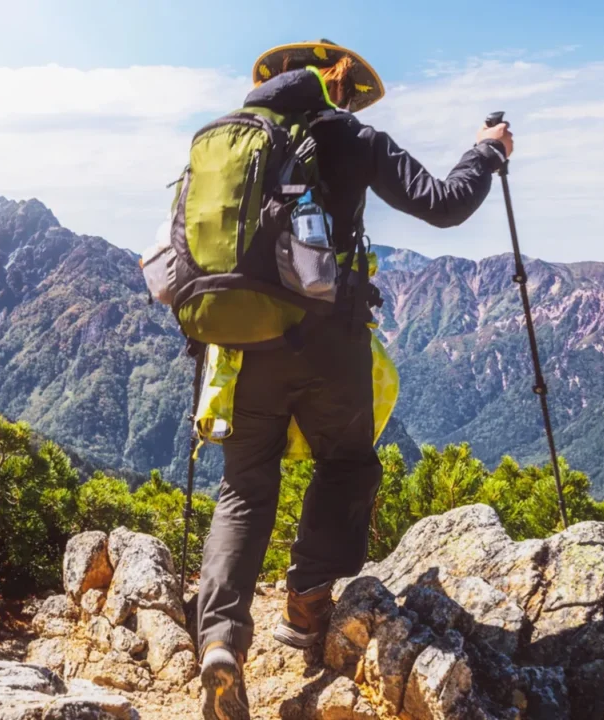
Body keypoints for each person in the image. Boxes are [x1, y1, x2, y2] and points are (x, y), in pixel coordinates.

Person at [196, 40, 514, 720]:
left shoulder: (231, 139)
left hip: (242, 344)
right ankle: (308, 606)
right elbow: (445, 204)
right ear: (340, 89)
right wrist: (487, 150)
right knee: (345, 464)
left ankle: (220, 640)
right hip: (326, 338)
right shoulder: (354, 136)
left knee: (245, 486)